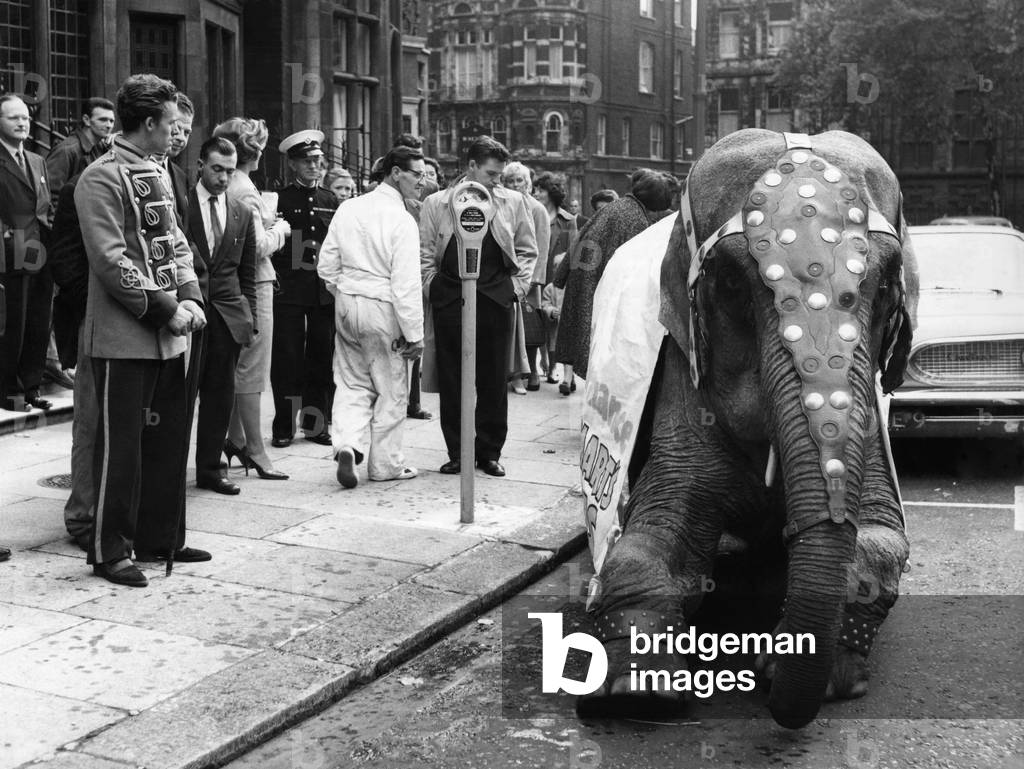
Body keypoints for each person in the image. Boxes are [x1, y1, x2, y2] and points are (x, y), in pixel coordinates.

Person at [74, 73, 210, 587]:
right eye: (171, 123)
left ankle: (160, 536)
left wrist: (191, 295)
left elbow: (174, 241)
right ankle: (111, 549)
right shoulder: (100, 177)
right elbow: (111, 261)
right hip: (124, 335)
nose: (177, 132)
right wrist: (164, 308)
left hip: (169, 332)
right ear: (150, 123)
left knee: (167, 440)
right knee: (121, 447)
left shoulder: (154, 172)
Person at [420, 136, 538, 477]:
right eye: (491, 173)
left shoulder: (514, 202)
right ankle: (458, 451)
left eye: (500, 174)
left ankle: (488, 452)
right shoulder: (437, 203)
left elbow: (528, 250)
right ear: (470, 166)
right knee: (454, 378)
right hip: (450, 298)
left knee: (492, 379)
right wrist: (433, 287)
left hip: (495, 298)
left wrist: (515, 288)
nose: (497, 181)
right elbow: (425, 251)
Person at [318, 145, 425, 488]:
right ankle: (385, 465)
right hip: (384, 305)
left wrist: (345, 293)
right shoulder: (402, 219)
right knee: (391, 387)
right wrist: (415, 334)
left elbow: (325, 265)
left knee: (351, 382)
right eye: (416, 174)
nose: (421, 181)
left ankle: (347, 444)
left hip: (348, 301)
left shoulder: (349, 207)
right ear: (396, 173)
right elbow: (406, 284)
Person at [213, 117, 291, 481]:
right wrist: (281, 229)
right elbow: (258, 247)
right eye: (260, 144)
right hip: (256, 283)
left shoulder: (233, 184)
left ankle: (235, 439)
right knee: (253, 370)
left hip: (237, 283)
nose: (263, 151)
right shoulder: (245, 188)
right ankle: (254, 449)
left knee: (238, 365)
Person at [555, 169, 678, 391]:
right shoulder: (637, 220)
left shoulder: (615, 207)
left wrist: (560, 278)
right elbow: (637, 271)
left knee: (588, 349)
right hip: (600, 293)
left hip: (582, 283)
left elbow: (579, 237)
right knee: (602, 356)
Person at [186, 137, 258, 496]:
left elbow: (248, 273)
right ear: (200, 164)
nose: (224, 177)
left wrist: (252, 321)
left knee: (219, 397)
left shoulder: (241, 212)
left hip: (228, 318)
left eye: (230, 171)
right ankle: (168, 469)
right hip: (189, 313)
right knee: (180, 397)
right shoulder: (179, 205)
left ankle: (211, 470)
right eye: (217, 169)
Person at [269, 130, 338, 447]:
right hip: (290, 291)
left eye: (318, 161)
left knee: (321, 358)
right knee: (287, 358)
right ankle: (284, 426)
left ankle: (316, 425)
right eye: (307, 162)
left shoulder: (330, 200)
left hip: (322, 291)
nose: (315, 167)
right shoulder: (280, 199)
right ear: (293, 165)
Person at [0, 94, 54, 412]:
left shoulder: (36, 160)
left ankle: (31, 387)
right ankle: (10, 392)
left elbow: (45, 207)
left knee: (37, 322)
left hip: (40, 252)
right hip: (10, 253)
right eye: (14, 118)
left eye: (26, 118)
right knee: (13, 327)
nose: (23, 123)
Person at [500, 161, 550, 394]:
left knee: (530, 328)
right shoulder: (504, 204)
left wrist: (532, 280)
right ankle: (514, 374)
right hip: (505, 276)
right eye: (510, 180)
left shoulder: (536, 208)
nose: (515, 184)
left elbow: (540, 247)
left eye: (519, 180)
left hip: (529, 280)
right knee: (510, 327)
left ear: (527, 183)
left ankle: (531, 374)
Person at [532, 171, 578, 386]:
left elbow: (573, 252)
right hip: (536, 273)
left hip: (557, 275)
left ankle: (552, 367)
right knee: (536, 319)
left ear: (551, 192)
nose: (536, 193)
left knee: (553, 322)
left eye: (541, 189)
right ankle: (537, 365)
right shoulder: (532, 215)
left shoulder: (567, 220)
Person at [45, 96, 115, 209]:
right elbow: (49, 195)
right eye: (102, 120)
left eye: (111, 121)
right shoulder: (66, 150)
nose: (109, 125)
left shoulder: (103, 148)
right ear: (86, 120)